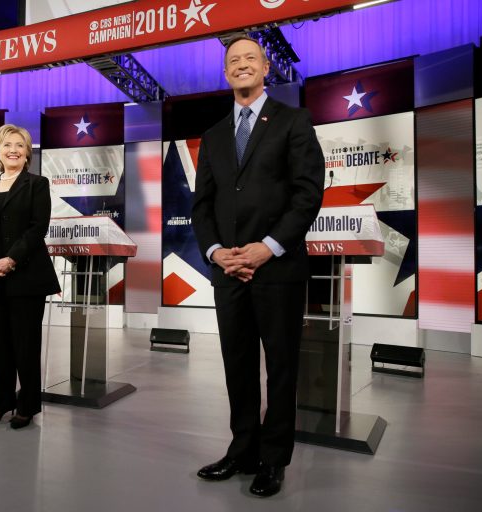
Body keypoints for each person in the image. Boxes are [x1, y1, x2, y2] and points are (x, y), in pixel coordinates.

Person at [191, 36, 324, 497]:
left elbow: (308, 194)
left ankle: (273, 459)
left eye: (250, 58)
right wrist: (216, 253)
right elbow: (201, 206)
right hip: (228, 272)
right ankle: (242, 450)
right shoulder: (211, 137)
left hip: (277, 268)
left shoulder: (294, 121)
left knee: (281, 366)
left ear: (266, 68)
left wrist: (268, 247)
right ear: (225, 74)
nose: (242, 65)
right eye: (233, 61)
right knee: (238, 364)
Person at [0, 124, 60, 429]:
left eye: (20, 145)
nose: (13, 150)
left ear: (27, 153)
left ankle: (28, 405)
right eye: (7, 145)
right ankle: (1, 402)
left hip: (26, 278)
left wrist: (10, 260)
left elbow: (37, 228)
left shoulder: (37, 184)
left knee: (25, 345)